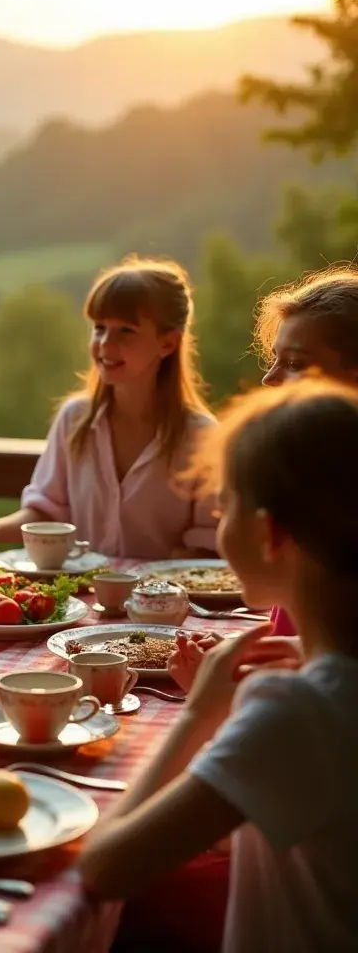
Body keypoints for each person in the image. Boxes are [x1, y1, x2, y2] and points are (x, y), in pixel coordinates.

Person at [79, 378, 358, 951]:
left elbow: (104, 870)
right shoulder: (322, 686)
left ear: (268, 532)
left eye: (225, 505)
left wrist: (200, 713)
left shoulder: (299, 710)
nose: (219, 522)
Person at [0, 258, 217, 559]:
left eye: (126, 331)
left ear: (168, 343)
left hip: (164, 603)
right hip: (83, 600)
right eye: (100, 328)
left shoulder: (202, 437)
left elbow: (209, 543)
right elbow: (46, 513)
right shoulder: (74, 419)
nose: (106, 344)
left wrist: (145, 583)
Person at [169, 267, 358, 691]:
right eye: (272, 360)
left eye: (293, 363)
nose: (270, 378)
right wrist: (265, 655)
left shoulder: (336, 514)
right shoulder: (311, 483)